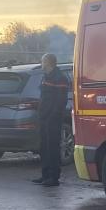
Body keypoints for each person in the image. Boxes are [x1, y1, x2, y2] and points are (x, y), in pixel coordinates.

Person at [33, 53, 69, 186]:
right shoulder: (45, 77)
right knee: (44, 147)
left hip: (53, 119)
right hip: (44, 117)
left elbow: (61, 100)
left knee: (52, 148)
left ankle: (54, 178)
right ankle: (45, 175)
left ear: (48, 62)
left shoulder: (60, 78)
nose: (41, 63)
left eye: (42, 61)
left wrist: (53, 116)